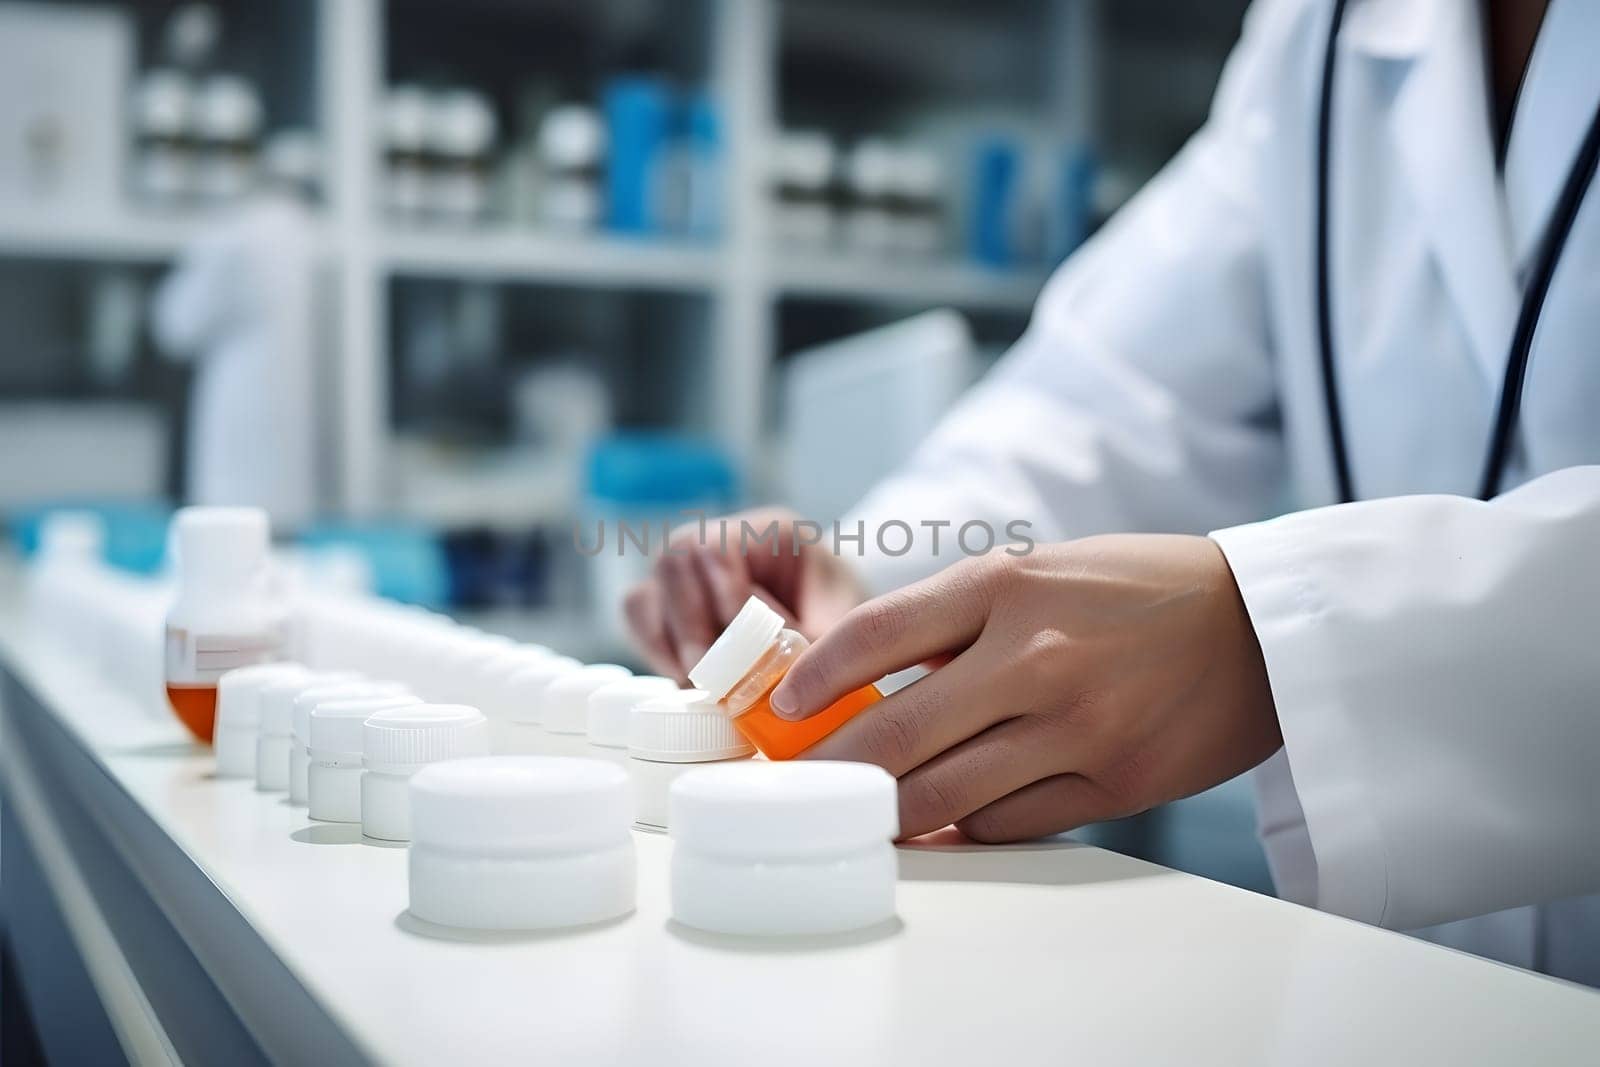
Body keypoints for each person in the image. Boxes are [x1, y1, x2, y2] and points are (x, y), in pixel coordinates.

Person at [625, 0, 1600, 985]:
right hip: (1419, 982)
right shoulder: (1322, 26)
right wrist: (865, 581)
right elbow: (1117, 398)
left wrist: (1283, 641)